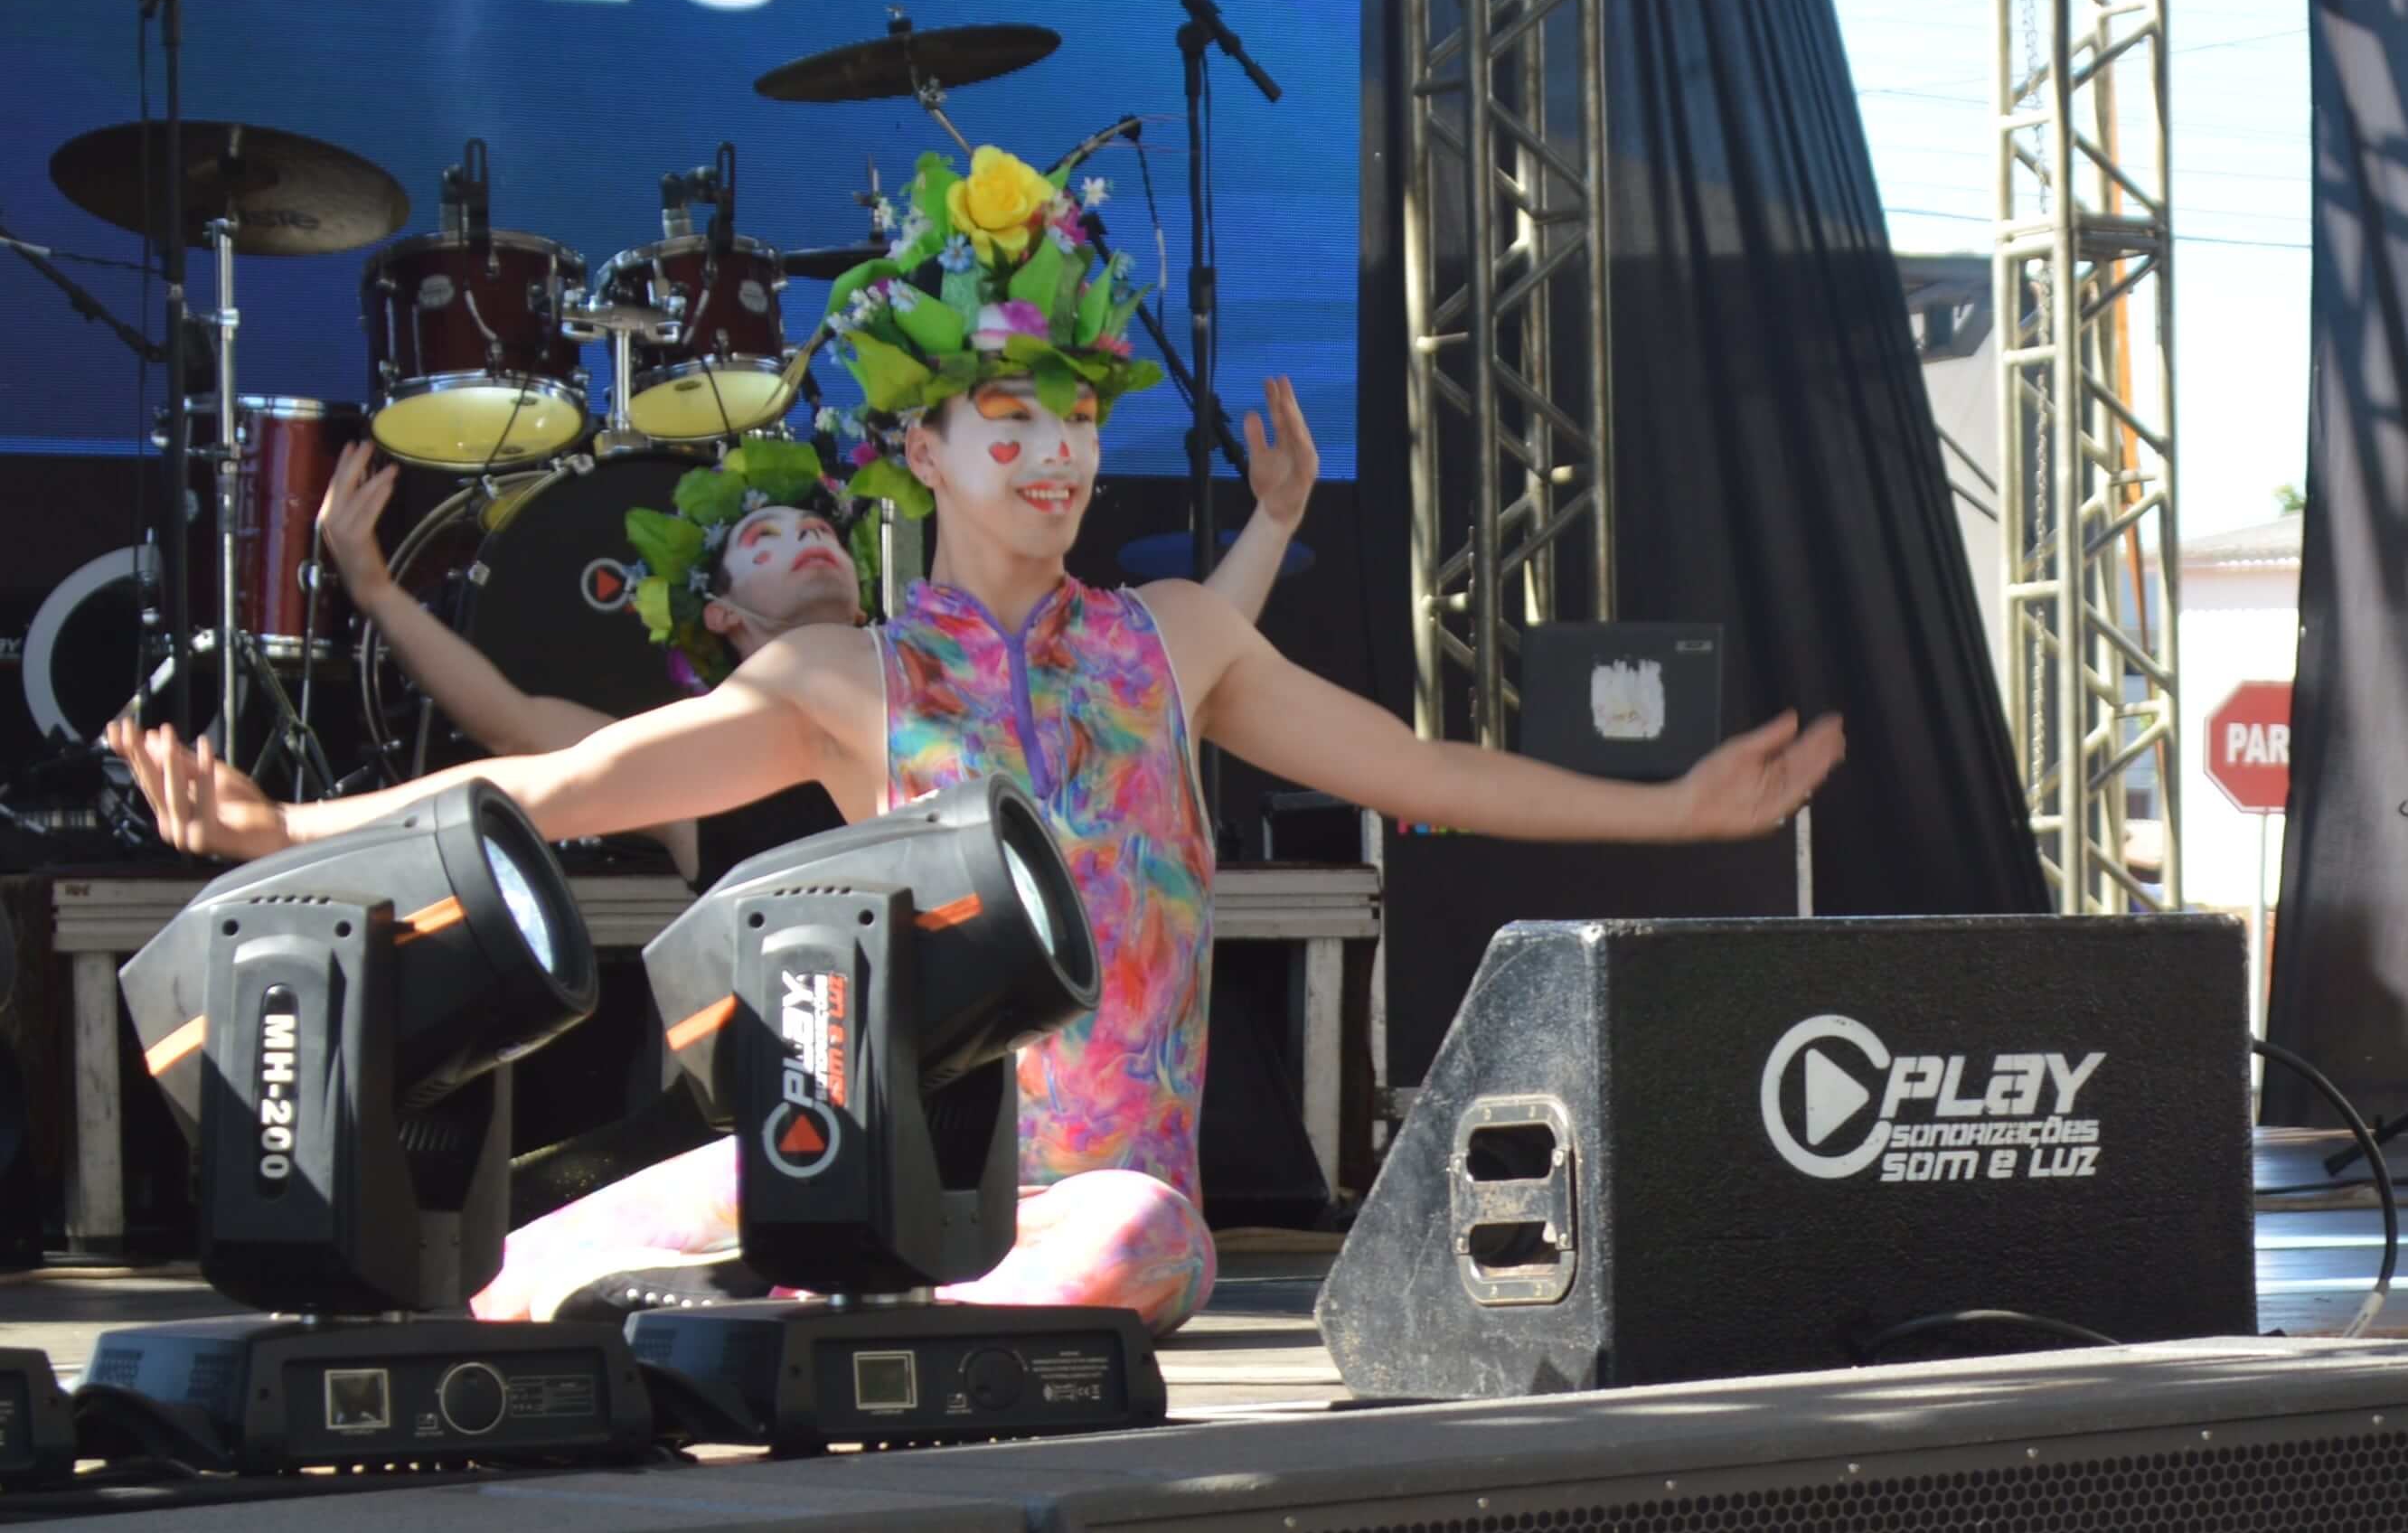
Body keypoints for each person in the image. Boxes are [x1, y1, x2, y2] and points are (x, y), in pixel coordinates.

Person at [114, 137, 1845, 1332]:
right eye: (1008, 421)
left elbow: (1426, 774)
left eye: (1078, 421)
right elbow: (558, 786)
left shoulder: (1174, 643)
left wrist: (1671, 809)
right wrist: (284, 835)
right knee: (510, 1278)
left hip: (1100, 1210)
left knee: (1129, 1240)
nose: (1055, 456)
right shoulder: (842, 679)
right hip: (874, 1172)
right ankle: (793, 1303)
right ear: (921, 451)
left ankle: (850, 1326)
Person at [318, 378, 1326, 884]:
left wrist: (1274, 521)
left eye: (817, 526)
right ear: (721, 614)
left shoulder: (932, 691)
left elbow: (1157, 679)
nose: (807, 538)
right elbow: (511, 730)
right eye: (768, 535)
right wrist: (377, 589)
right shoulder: (703, 759)